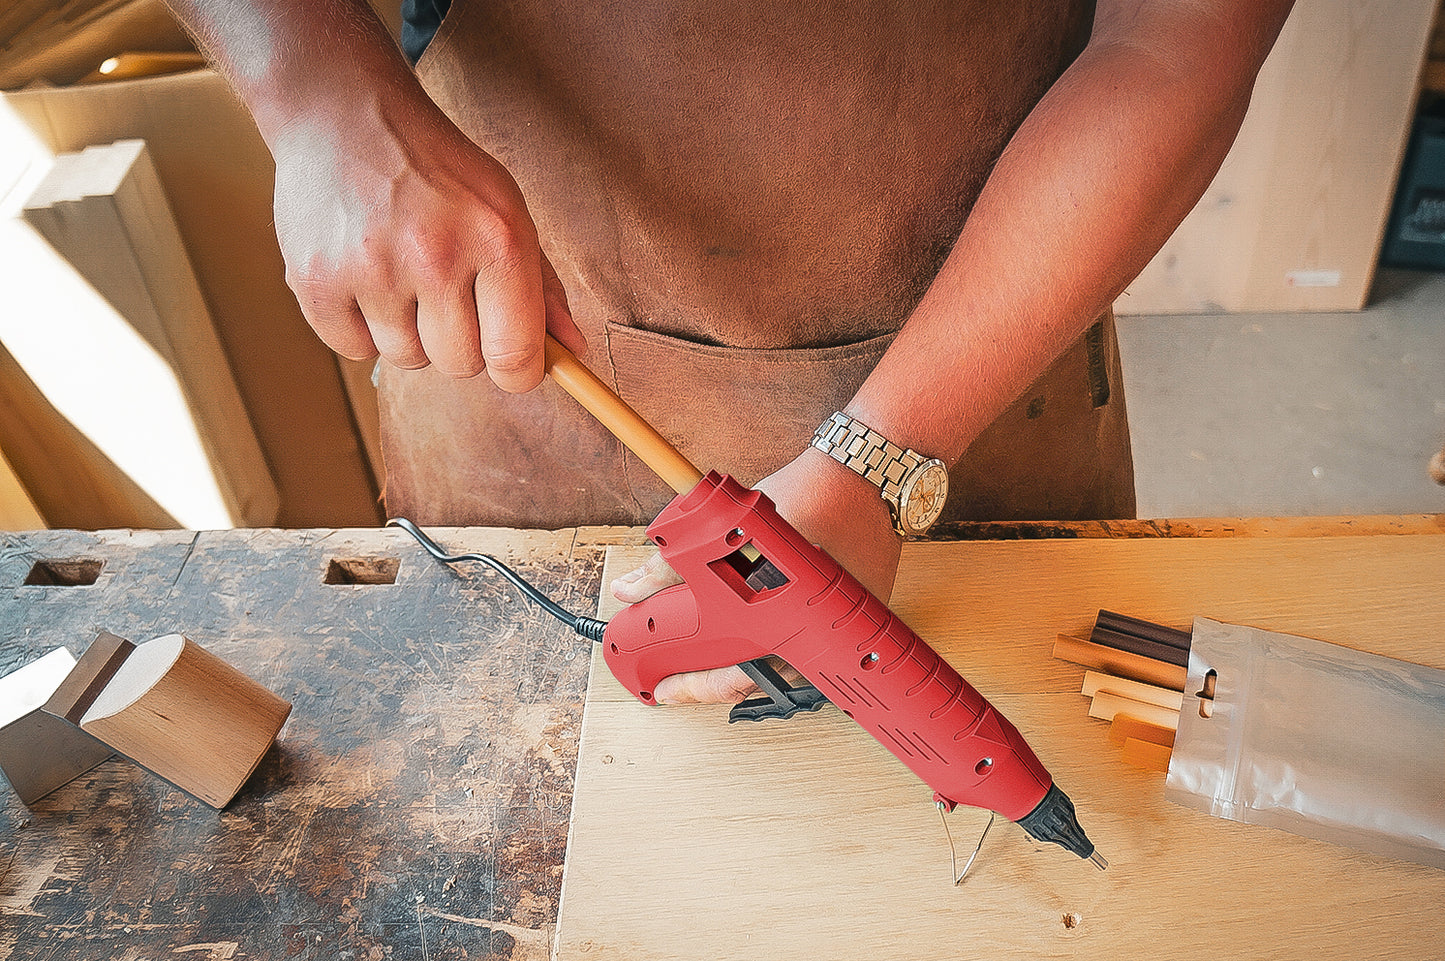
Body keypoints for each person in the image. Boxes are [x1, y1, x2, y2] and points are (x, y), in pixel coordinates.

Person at [165, 0, 1293, 702]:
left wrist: (879, 463)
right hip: (516, 384)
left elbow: (1176, 38)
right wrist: (316, 91)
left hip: (990, 378)